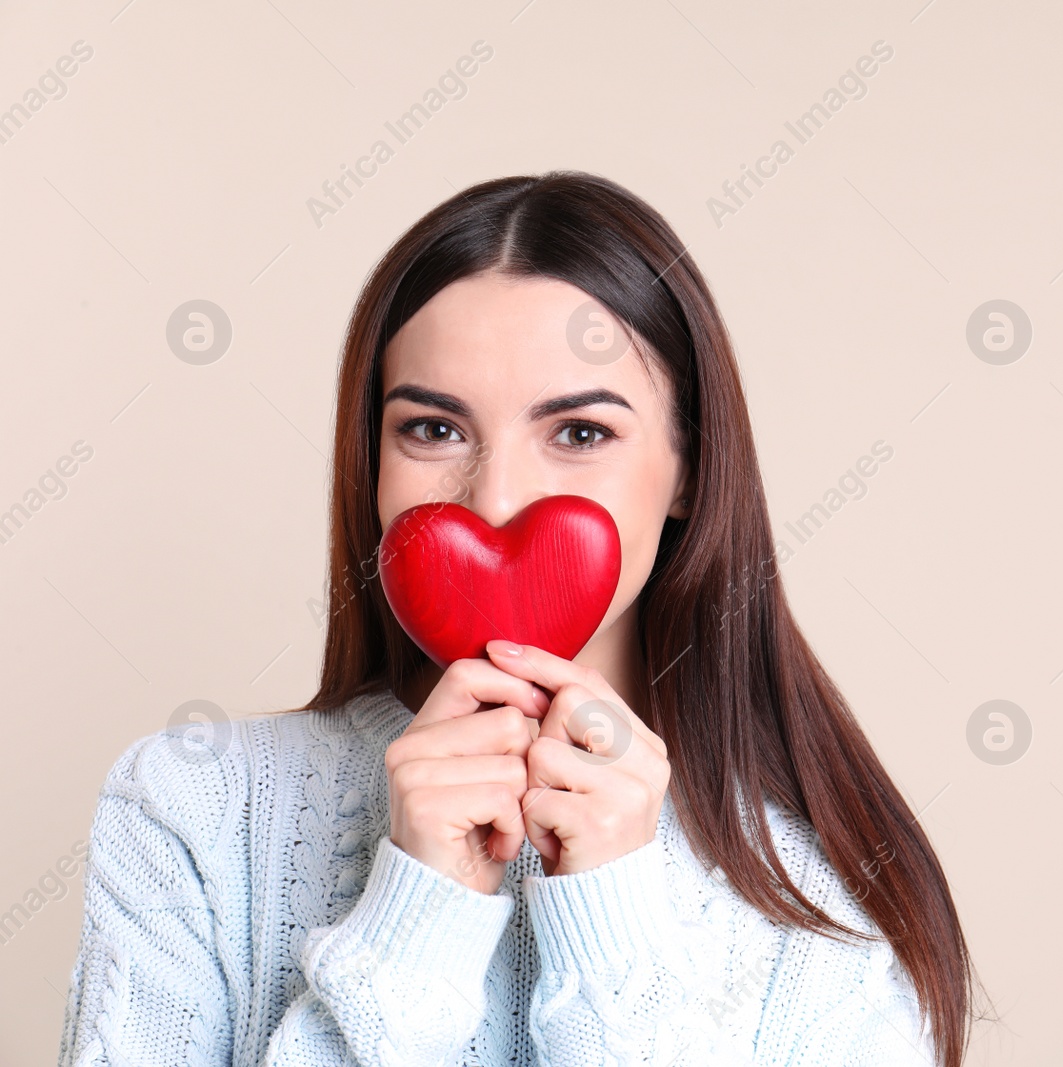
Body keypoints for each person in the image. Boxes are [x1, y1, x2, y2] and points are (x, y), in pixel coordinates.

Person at [56, 171, 978, 1066]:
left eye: (580, 433)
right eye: (435, 429)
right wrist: (414, 921)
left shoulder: (824, 893)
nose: (495, 499)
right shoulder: (189, 807)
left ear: (690, 469)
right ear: (370, 457)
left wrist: (615, 926)